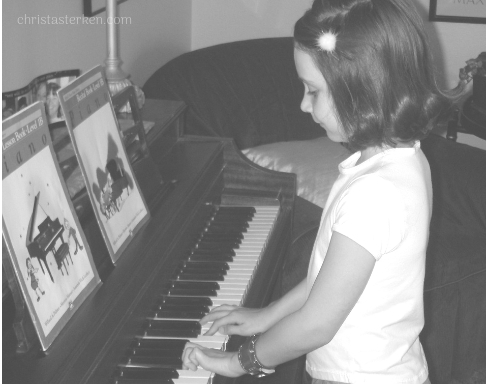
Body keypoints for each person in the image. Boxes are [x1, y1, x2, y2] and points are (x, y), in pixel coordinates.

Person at [182, 1, 451, 383]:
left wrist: (236, 363)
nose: (303, 104)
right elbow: (329, 280)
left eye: (313, 91)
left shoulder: (374, 194)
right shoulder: (401, 160)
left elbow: (314, 326)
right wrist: (267, 314)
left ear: (363, 90)